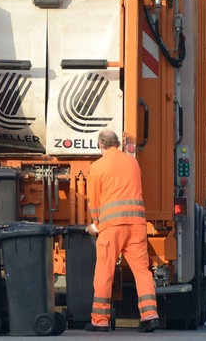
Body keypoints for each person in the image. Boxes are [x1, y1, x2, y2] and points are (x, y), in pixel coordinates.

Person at [84, 130, 159, 333]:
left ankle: (100, 320)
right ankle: (150, 316)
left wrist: (95, 225)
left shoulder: (97, 167)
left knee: (104, 272)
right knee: (142, 271)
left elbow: (94, 201)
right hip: (136, 225)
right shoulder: (132, 162)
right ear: (117, 143)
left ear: (101, 144)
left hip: (112, 227)